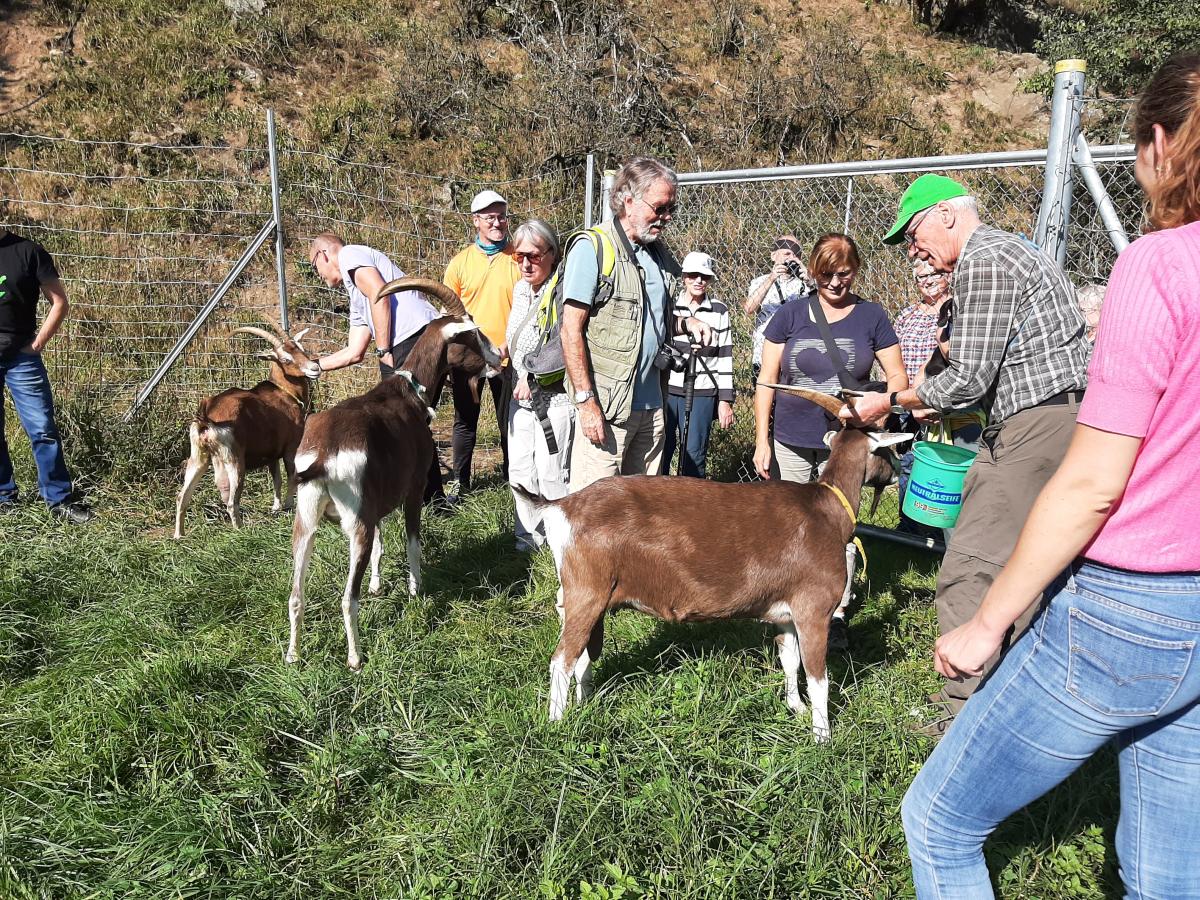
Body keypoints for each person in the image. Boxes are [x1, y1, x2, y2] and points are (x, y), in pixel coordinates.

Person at [902, 52, 1200, 899]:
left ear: (1159, 144)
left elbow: (1092, 483)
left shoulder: (1160, 264)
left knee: (938, 823)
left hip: (1130, 603)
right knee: (1167, 877)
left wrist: (986, 625)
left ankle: (965, 724)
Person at [845, 172, 1091, 735]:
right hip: (1050, 423)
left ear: (948, 214)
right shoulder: (1009, 252)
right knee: (1025, 571)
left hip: (1031, 430)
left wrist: (888, 401)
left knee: (970, 568)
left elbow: (966, 380)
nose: (913, 250)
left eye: (913, 234)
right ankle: (1016, 704)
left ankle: (964, 719)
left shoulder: (984, 260)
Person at [753, 233, 907, 649]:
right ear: (812, 272)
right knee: (785, 524)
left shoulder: (871, 316)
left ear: (855, 270)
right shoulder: (789, 314)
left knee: (839, 528)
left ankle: (835, 609)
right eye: (826, 275)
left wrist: (879, 410)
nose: (836, 283)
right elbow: (767, 380)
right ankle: (784, 604)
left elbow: (897, 377)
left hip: (845, 443)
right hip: (792, 436)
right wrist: (762, 439)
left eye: (845, 273)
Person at [560, 156, 712, 492]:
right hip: (609, 409)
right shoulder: (593, 248)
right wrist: (586, 403)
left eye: (671, 208)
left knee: (642, 509)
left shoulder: (659, 256)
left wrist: (686, 323)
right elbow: (570, 330)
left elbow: (649, 319)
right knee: (597, 510)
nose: (666, 217)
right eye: (660, 208)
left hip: (652, 407)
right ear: (628, 200)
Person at [307, 232, 446, 503]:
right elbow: (354, 351)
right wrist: (315, 366)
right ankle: (425, 498)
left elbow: (380, 295)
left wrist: (383, 350)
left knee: (407, 423)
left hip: (413, 339)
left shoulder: (349, 255)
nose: (318, 275)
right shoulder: (356, 295)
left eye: (315, 267)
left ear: (324, 255)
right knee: (409, 422)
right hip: (404, 343)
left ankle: (428, 499)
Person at [0, 229, 93, 524]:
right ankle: (4, 499)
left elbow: (59, 301)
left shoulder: (28, 251)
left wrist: (37, 344)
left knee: (42, 429)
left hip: (21, 357)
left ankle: (59, 500)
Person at [894, 258, 983, 537]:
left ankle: (941, 530)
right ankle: (912, 529)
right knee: (910, 462)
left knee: (947, 468)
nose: (928, 281)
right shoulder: (907, 315)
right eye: (921, 277)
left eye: (933, 274)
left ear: (948, 276)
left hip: (951, 404)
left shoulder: (958, 309)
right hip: (912, 400)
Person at [443, 189, 521, 494]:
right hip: (469, 360)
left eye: (501, 216)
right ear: (476, 221)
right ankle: (459, 484)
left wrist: (510, 347)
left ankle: (513, 483)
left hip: (507, 357)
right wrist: (450, 359)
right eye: (490, 217)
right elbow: (448, 316)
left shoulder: (518, 258)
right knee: (465, 421)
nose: (497, 223)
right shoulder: (460, 264)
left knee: (510, 422)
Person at [505, 220, 572, 551]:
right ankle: (528, 541)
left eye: (533, 256)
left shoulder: (562, 291)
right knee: (519, 470)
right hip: (520, 400)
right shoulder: (521, 290)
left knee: (552, 474)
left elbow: (564, 344)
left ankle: (561, 544)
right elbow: (518, 338)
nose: (526, 264)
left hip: (553, 400)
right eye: (519, 256)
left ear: (552, 254)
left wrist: (531, 376)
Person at [661, 251, 734, 479]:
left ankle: (691, 499)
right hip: (668, 390)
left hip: (703, 392)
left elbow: (725, 357)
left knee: (694, 453)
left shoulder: (719, 310)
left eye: (705, 276)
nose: (699, 281)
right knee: (662, 449)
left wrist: (725, 400)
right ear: (684, 277)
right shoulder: (670, 305)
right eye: (693, 275)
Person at [743, 234, 814, 377]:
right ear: (773, 256)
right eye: (787, 253)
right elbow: (749, 308)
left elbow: (824, 309)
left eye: (796, 255)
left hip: (796, 358)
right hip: (764, 355)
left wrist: (810, 281)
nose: (791, 258)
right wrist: (772, 278)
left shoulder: (806, 284)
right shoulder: (760, 282)